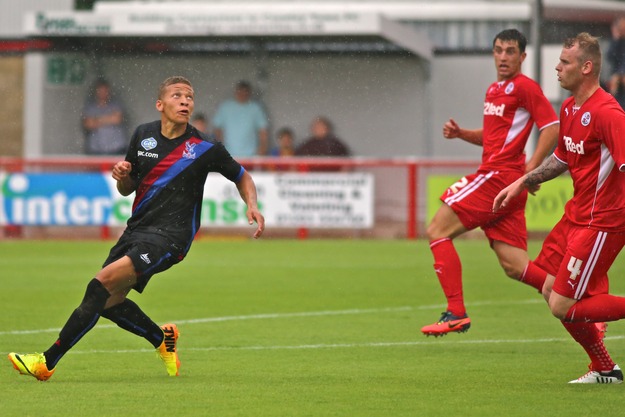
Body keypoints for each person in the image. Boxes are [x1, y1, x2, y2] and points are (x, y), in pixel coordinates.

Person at [8, 76, 265, 381]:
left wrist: (252, 203)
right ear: (161, 104)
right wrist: (121, 176)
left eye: (189, 97)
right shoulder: (143, 136)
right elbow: (126, 188)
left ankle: (45, 363)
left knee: (99, 285)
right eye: (177, 95)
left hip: (172, 237)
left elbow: (241, 175)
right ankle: (162, 339)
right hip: (137, 231)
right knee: (108, 302)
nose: (185, 101)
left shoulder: (205, 146)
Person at [494, 33, 625, 384]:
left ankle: (603, 364)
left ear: (586, 67)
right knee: (550, 290)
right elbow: (562, 157)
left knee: (561, 305)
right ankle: (604, 368)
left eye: (564, 62)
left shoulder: (608, 112)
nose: (556, 67)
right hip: (576, 216)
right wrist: (521, 182)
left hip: (603, 221)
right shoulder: (569, 108)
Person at [420, 29, 560, 337]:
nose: (503, 57)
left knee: (436, 230)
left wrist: (530, 171)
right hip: (504, 181)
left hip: (498, 177)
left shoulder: (525, 87)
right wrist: (461, 134)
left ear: (522, 57)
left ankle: (456, 313)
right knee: (515, 265)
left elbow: (551, 127)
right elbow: (493, 137)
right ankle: (579, 305)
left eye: (510, 51)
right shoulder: (494, 90)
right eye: (498, 50)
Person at [212, 80, 269, 157]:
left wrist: (262, 148)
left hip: (251, 155)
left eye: (245, 92)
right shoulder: (225, 107)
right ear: (236, 92)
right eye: (240, 91)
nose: (242, 94)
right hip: (229, 154)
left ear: (249, 93)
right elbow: (217, 129)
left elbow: (263, 130)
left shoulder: (255, 108)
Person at [82, 78, 128, 155]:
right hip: (96, 148)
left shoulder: (115, 104)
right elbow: (88, 124)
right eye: (100, 90)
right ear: (96, 91)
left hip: (116, 147)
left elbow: (117, 119)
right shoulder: (90, 106)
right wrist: (109, 118)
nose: (103, 93)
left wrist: (96, 120)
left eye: (105, 90)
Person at [606, 16, 625, 102]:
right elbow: (610, 57)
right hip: (617, 78)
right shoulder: (618, 42)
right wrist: (616, 38)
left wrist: (621, 73)